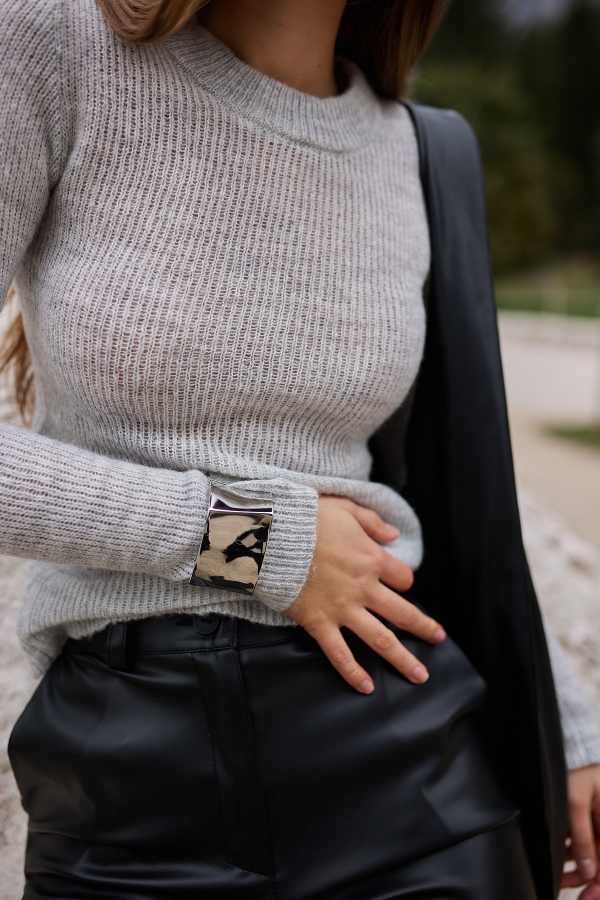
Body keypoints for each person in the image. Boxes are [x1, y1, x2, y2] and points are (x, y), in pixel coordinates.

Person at [1, 0, 599, 897]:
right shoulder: (50, 44)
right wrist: (255, 540)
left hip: (411, 768)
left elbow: (457, 494)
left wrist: (571, 728)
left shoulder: (417, 150)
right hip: (128, 786)